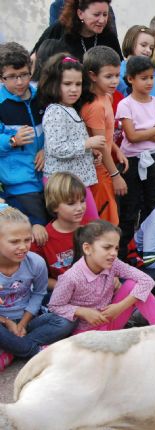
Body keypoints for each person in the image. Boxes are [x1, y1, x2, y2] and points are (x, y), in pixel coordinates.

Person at [48, 220, 155, 333]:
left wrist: (119, 308)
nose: (113, 253)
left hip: (109, 322)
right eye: (107, 247)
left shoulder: (114, 263)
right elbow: (55, 306)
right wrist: (82, 312)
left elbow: (147, 281)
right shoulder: (71, 277)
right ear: (87, 248)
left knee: (133, 284)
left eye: (116, 248)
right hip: (83, 334)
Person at [0, 205, 75, 370]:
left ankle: (13, 349)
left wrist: (23, 324)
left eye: (27, 240)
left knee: (67, 320)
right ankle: (31, 350)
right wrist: (7, 323)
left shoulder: (35, 262)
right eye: (14, 241)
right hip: (2, 323)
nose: (23, 246)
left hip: (28, 319)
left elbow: (39, 293)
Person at [115, 55, 155, 259]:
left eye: (151, 77)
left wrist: (146, 133)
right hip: (132, 161)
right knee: (130, 209)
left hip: (154, 159)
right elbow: (131, 136)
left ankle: (150, 250)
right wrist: (154, 129)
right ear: (130, 79)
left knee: (154, 205)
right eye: (143, 78)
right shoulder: (125, 104)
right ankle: (123, 253)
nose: (149, 82)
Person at [38, 53, 100, 222]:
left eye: (78, 84)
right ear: (54, 84)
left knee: (85, 228)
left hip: (74, 182)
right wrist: (87, 143)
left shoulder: (69, 108)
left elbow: (71, 141)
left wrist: (90, 152)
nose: (74, 89)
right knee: (91, 227)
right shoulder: (55, 111)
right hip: (64, 184)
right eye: (67, 84)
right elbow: (56, 148)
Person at [0, 43, 48, 245]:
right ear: (2, 78)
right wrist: (11, 140)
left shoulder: (41, 95)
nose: (20, 82)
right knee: (37, 234)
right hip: (19, 184)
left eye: (24, 74)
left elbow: (52, 129)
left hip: (47, 177)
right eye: (12, 77)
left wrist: (47, 150)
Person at [80, 45, 129, 225]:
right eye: (108, 76)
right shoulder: (95, 106)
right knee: (106, 223)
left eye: (117, 75)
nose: (114, 81)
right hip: (99, 172)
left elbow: (106, 135)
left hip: (106, 165)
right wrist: (115, 175)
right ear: (92, 75)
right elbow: (99, 144)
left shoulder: (107, 96)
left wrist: (117, 149)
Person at [31, 172, 87, 291]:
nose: (79, 208)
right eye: (71, 203)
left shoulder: (90, 230)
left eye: (82, 201)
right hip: (60, 295)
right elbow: (36, 279)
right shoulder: (42, 238)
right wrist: (65, 287)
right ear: (54, 205)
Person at [33, 0, 123, 62]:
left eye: (105, 14)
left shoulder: (109, 37)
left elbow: (120, 67)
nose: (102, 20)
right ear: (80, 14)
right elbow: (34, 57)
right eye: (96, 15)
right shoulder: (59, 29)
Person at [117, 25, 155, 99]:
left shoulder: (153, 72)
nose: (148, 50)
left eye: (151, 48)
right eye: (143, 45)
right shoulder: (118, 71)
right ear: (130, 42)